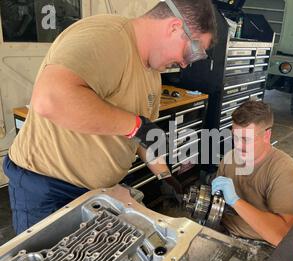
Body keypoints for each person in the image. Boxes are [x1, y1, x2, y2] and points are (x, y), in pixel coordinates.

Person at [3, 0, 217, 235]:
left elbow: (140, 138)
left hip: (95, 192)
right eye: (191, 52)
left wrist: (166, 177)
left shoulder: (152, 77)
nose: (186, 64)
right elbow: (50, 99)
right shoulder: (109, 37)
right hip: (48, 188)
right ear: (175, 27)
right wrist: (135, 125)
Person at [212, 101, 293, 261]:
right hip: (224, 233)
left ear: (267, 135)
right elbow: (217, 204)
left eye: (246, 139)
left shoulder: (285, 170)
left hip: (260, 245)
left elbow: (282, 235)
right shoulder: (230, 158)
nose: (239, 146)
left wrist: (235, 200)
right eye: (235, 137)